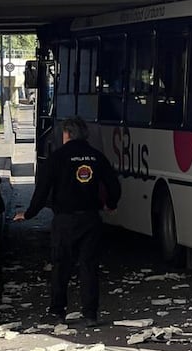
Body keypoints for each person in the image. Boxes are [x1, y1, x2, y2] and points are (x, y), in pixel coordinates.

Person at [14, 116, 121, 325]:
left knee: (61, 266)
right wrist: (111, 204)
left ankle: (57, 311)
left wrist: (29, 213)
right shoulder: (96, 156)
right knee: (89, 266)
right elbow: (113, 185)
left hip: (64, 220)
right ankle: (90, 313)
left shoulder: (57, 157)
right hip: (90, 218)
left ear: (67, 134)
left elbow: (42, 190)